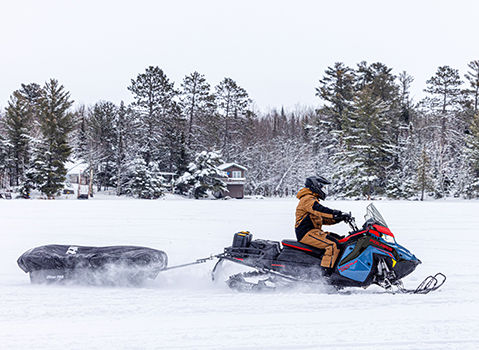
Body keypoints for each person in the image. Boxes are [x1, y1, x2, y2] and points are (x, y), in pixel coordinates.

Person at [295, 176, 351, 272]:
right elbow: (319, 209)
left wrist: (339, 218)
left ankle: (339, 271)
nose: (324, 190)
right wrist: (336, 213)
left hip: (314, 232)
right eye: (323, 187)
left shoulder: (312, 198)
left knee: (340, 240)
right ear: (316, 186)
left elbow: (323, 218)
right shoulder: (307, 199)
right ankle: (325, 275)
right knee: (332, 245)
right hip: (306, 233)